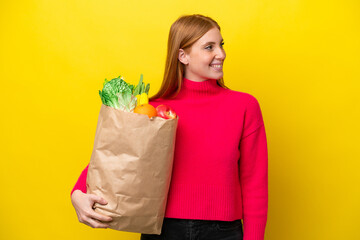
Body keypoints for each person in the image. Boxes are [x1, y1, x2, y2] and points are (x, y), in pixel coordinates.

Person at [71, 14, 268, 240]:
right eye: (209, 47)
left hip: (223, 232)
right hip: (163, 230)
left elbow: (255, 183)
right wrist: (77, 192)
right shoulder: (153, 110)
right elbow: (116, 158)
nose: (221, 54)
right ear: (182, 56)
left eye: (221, 45)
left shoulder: (244, 106)